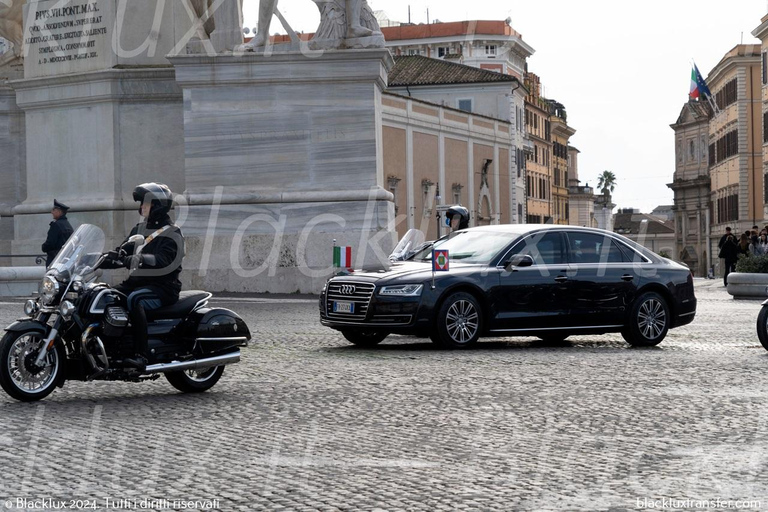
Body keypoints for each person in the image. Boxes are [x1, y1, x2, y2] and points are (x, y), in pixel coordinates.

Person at [103, 183, 185, 368]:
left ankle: (141, 355)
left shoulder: (172, 233)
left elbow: (165, 260)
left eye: (145, 204)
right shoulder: (138, 230)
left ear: (157, 205)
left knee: (135, 300)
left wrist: (139, 259)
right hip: (137, 283)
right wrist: (102, 258)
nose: (141, 207)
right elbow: (122, 252)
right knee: (104, 296)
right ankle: (112, 346)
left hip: (162, 288)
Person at [42, 199, 74, 267]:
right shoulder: (67, 225)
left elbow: (50, 243)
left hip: (55, 259)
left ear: (59, 212)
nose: (52, 212)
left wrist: (44, 247)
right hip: (65, 260)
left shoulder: (56, 225)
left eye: (54, 210)